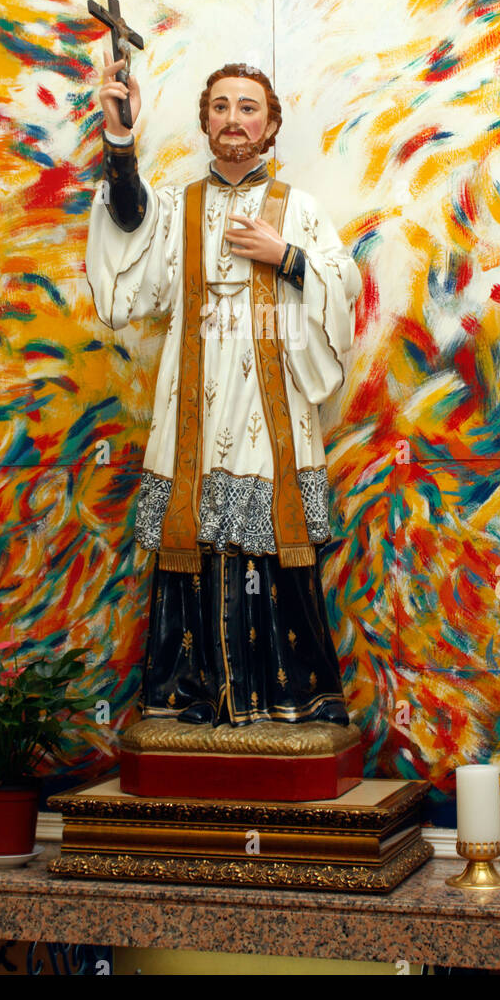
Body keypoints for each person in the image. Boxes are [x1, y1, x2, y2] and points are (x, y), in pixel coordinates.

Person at [85, 43, 362, 726]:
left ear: (270, 126)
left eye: (248, 108)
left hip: (272, 410)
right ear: (204, 124)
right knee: (195, 546)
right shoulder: (178, 208)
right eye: (220, 108)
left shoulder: (298, 208)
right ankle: (196, 697)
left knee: (274, 548)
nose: (233, 120)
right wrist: (120, 140)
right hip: (195, 409)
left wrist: (287, 256)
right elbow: (127, 233)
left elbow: (345, 283)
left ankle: (292, 700)